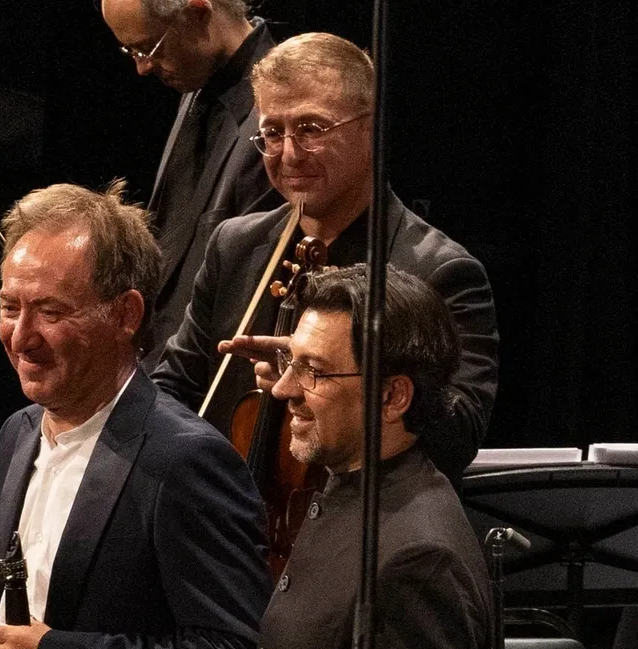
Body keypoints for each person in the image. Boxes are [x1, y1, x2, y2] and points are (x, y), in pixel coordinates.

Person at [0, 181, 273, 649]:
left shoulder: (185, 459)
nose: (21, 336)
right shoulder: (15, 436)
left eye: (51, 311)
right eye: (9, 306)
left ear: (126, 315)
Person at [153, 32, 499, 483]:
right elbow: (172, 388)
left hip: (356, 532)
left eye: (312, 128)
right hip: (226, 524)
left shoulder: (438, 271)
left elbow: (457, 440)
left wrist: (341, 380)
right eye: (273, 132)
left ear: (371, 128)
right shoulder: (233, 245)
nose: (290, 154)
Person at [231, 265, 492, 649]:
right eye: (290, 362)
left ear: (394, 397)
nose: (283, 390)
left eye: (315, 372)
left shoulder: (416, 564)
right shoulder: (352, 494)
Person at [100, 0, 281, 368]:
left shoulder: (277, 114)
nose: (142, 66)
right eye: (130, 50)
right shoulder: (196, 86)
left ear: (199, 13)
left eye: (149, 48)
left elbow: (235, 300)